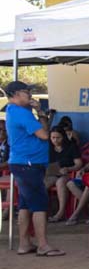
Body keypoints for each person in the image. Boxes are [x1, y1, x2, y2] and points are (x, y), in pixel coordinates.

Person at [5, 81, 62, 256]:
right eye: (25, 91)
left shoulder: (15, 111)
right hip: (28, 164)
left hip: (23, 163)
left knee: (25, 204)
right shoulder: (22, 113)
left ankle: (24, 243)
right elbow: (45, 135)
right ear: (15, 94)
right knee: (39, 205)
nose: (29, 94)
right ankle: (43, 244)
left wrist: (38, 113)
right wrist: (41, 113)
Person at [46, 126, 83, 222]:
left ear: (64, 137)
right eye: (53, 138)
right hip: (52, 173)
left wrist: (68, 168)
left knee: (60, 182)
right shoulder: (48, 147)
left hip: (68, 173)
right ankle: (39, 211)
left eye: (58, 137)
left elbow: (78, 163)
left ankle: (60, 212)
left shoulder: (71, 146)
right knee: (42, 184)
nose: (55, 140)